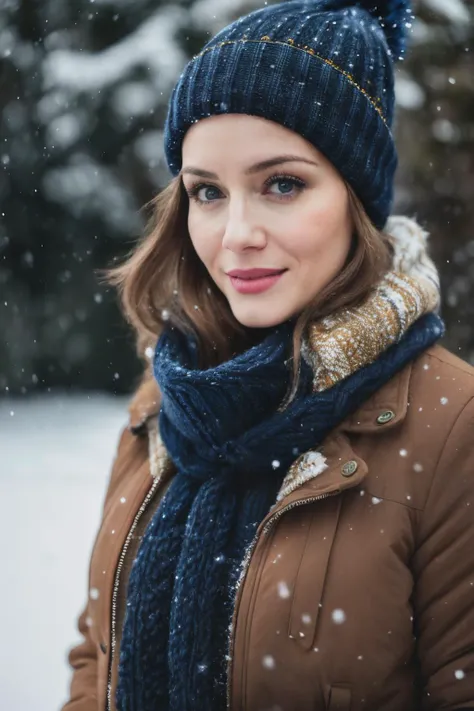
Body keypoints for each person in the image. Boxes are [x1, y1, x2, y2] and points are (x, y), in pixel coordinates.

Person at [61, 1, 474, 710]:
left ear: (357, 199)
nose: (236, 233)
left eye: (282, 184)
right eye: (208, 192)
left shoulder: (453, 425)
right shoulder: (167, 397)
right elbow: (96, 656)